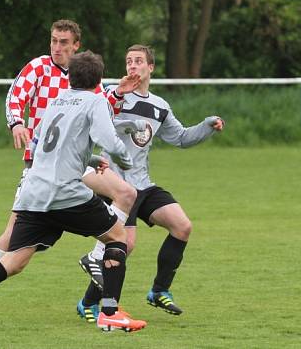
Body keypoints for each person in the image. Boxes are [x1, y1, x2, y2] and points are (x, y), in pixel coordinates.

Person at [0, 52, 147, 348]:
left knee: (15, 260)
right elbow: (108, 138)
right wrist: (124, 160)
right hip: (65, 192)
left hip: (34, 192)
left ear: (70, 76)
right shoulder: (96, 100)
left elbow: (45, 146)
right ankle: (109, 312)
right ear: (98, 80)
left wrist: (91, 157)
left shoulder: (56, 101)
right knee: (117, 237)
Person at [0, 19, 140, 326]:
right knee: (11, 239)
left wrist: (116, 94)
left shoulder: (84, 76)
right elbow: (14, 97)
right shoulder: (38, 68)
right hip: (42, 166)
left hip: (77, 166)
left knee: (127, 192)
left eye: (64, 42)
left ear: (76, 46)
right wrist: (17, 122)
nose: (57, 47)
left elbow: (98, 112)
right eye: (54, 40)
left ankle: (97, 255)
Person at [75, 44, 224, 322]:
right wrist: (121, 106)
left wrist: (206, 126)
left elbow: (180, 138)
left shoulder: (159, 106)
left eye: (138, 61)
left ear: (150, 68)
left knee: (182, 226)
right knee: (125, 245)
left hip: (143, 183)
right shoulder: (111, 95)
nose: (132, 66)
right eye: (129, 61)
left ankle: (159, 291)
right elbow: (97, 123)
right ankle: (90, 303)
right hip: (117, 185)